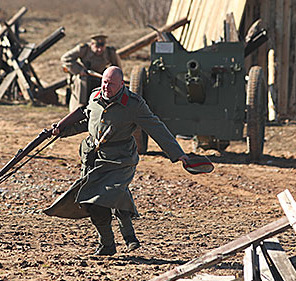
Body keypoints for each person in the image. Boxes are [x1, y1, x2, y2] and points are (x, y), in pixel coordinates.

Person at [45, 66, 189, 256]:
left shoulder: (133, 104)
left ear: (122, 84)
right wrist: (61, 131)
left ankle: (108, 245)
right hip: (93, 159)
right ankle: (126, 239)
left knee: (99, 200)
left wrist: (178, 153)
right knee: (107, 197)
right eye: (104, 82)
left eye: (111, 84)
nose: (106, 87)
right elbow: (87, 121)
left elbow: (156, 128)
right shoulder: (95, 96)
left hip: (120, 161)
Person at [61, 34, 122, 112]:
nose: (100, 50)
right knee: (81, 80)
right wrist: (79, 70)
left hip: (100, 76)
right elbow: (65, 58)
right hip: (85, 76)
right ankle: (79, 108)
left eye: (102, 47)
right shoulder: (83, 49)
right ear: (92, 44)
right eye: (97, 47)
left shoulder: (110, 52)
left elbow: (118, 69)